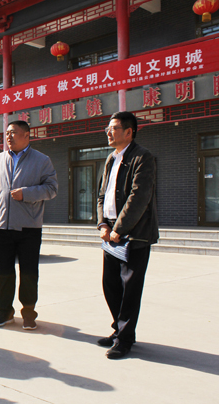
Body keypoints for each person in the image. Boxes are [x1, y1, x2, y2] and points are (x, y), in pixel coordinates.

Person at [0, 120, 58, 330]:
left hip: (29, 227)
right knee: (4, 273)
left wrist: (27, 194)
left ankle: (29, 313)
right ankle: (4, 312)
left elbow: (52, 188)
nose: (8, 136)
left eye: (13, 132)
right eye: (7, 133)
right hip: (2, 226)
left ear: (26, 135)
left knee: (29, 273)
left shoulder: (42, 160)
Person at [96, 111, 159, 359]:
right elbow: (102, 195)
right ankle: (118, 329)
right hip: (110, 232)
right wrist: (103, 224)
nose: (108, 132)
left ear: (129, 132)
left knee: (130, 288)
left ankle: (125, 339)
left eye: (113, 128)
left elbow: (138, 197)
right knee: (110, 284)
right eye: (107, 128)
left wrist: (118, 230)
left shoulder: (142, 157)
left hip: (134, 233)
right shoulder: (111, 158)